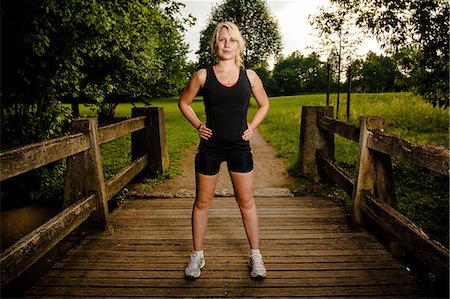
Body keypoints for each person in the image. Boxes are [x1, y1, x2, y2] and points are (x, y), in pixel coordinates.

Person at [178, 21, 270, 279]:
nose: (227, 44)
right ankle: (197, 255)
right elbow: (183, 103)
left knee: (246, 202)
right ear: (215, 45)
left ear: (238, 43)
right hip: (211, 148)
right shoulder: (203, 75)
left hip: (240, 147)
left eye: (231, 39)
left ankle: (255, 255)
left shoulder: (249, 76)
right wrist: (198, 125)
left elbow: (264, 104)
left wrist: (252, 126)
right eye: (221, 39)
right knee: (202, 202)